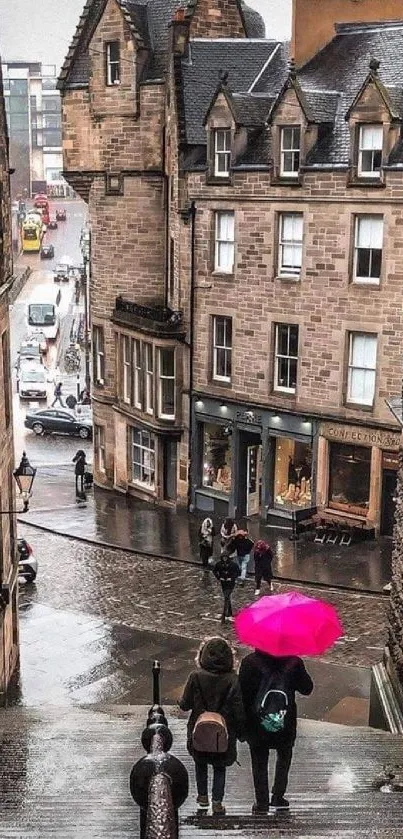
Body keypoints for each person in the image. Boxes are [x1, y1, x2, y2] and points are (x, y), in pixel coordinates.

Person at [239, 650, 313, 814]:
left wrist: (241, 726)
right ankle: (278, 795)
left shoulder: (249, 662)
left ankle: (262, 801)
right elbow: (307, 688)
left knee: (259, 762)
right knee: (284, 758)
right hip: (284, 721)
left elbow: (242, 694)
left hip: (257, 722)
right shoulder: (294, 662)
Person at [179, 637, 245, 815]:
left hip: (198, 730)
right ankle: (217, 801)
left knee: (200, 763)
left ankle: (202, 796)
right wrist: (241, 732)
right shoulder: (233, 679)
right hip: (224, 732)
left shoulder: (195, 676)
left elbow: (185, 704)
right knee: (219, 767)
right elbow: (239, 708)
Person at [213, 552, 240, 623]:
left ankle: (224, 614)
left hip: (231, 583)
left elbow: (238, 572)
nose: (224, 559)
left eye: (225, 557)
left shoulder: (233, 565)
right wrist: (219, 577)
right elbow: (214, 571)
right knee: (227, 597)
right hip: (223, 583)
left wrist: (232, 578)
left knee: (226, 597)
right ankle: (229, 612)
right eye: (223, 558)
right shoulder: (219, 564)